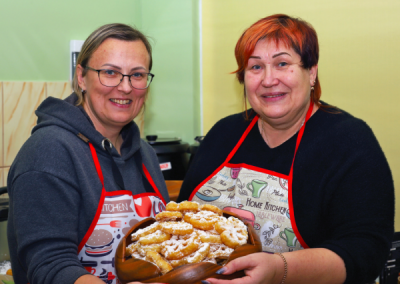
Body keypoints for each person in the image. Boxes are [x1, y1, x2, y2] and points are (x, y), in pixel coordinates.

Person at [178, 14, 395, 284]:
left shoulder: (349, 141)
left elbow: (365, 252)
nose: (269, 80)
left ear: (311, 72)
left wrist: (278, 269)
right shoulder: (225, 133)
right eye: (255, 67)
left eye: (282, 63)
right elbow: (182, 216)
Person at [7, 23, 170, 284]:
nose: (126, 87)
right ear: (81, 77)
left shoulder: (145, 154)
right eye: (110, 72)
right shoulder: (49, 151)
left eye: (137, 75)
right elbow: (49, 267)